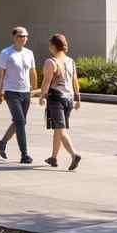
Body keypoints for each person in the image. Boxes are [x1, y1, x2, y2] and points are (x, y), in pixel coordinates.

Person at [39, 33, 82, 171]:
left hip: (56, 99)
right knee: (58, 129)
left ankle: (74, 154)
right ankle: (53, 157)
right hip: (69, 99)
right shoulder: (71, 61)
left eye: (50, 45)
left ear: (53, 46)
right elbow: (75, 81)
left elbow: (46, 82)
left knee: (61, 130)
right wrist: (78, 99)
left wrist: (41, 96)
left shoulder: (50, 62)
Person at [0, 26, 37, 164]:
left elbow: (32, 71)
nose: (23, 38)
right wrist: (0, 91)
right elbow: (1, 72)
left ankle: (2, 142)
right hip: (11, 91)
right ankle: (24, 154)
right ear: (14, 37)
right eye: (20, 36)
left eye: (25, 36)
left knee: (21, 122)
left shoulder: (29, 53)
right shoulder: (6, 53)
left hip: (26, 92)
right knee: (20, 121)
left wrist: (34, 88)